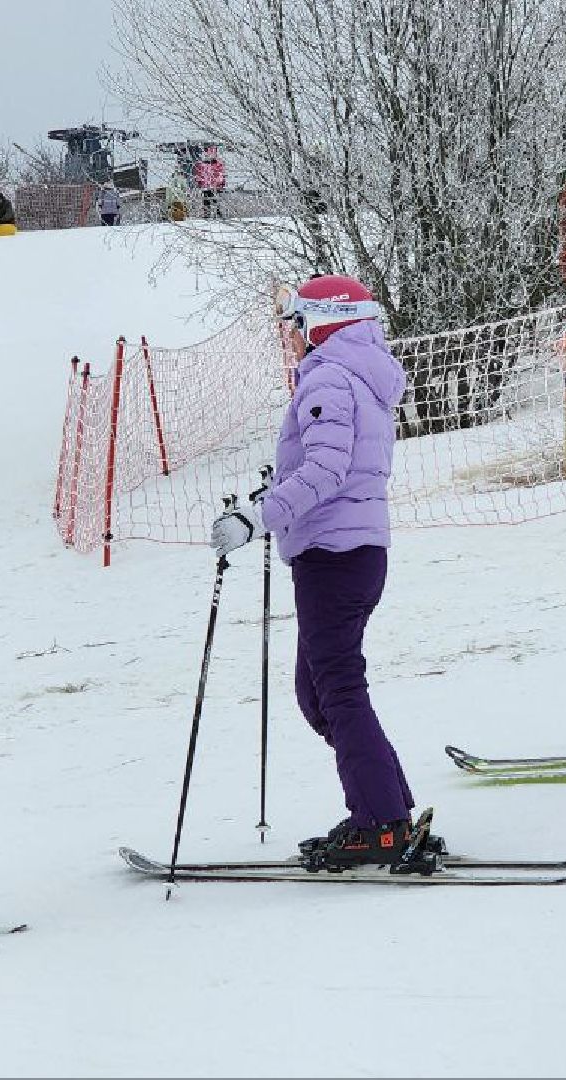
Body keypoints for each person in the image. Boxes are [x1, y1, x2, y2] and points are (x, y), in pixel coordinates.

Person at [210, 274, 435, 871]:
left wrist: (258, 517)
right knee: (318, 692)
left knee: (335, 688)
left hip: (334, 555)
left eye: (297, 323)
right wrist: (277, 492)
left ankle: (380, 821)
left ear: (324, 322)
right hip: (351, 552)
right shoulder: (357, 373)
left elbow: (328, 470)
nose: (290, 335)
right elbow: (331, 463)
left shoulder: (331, 377)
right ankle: (387, 806)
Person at [194, 146, 227, 219]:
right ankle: (209, 213)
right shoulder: (202, 164)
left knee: (213, 199)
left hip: (214, 185)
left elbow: (221, 173)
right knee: (208, 199)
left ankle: (215, 213)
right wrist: (199, 182)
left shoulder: (217, 163)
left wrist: (221, 182)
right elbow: (199, 173)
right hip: (208, 185)